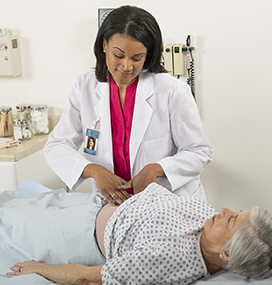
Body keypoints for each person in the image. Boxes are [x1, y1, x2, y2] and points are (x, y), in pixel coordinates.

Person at [43, 5, 213, 206]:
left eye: (137, 58)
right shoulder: (85, 87)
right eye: (119, 55)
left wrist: (156, 169)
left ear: (148, 54)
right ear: (104, 45)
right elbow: (56, 145)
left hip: (169, 202)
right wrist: (94, 171)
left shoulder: (172, 91)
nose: (126, 66)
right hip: (112, 204)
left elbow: (198, 151)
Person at [4, 182, 272, 284]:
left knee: (9, 218)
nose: (226, 209)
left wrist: (37, 268)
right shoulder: (207, 224)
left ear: (226, 253)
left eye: (230, 220)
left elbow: (87, 277)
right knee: (13, 199)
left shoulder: (171, 260)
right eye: (235, 212)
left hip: (78, 234)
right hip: (94, 205)